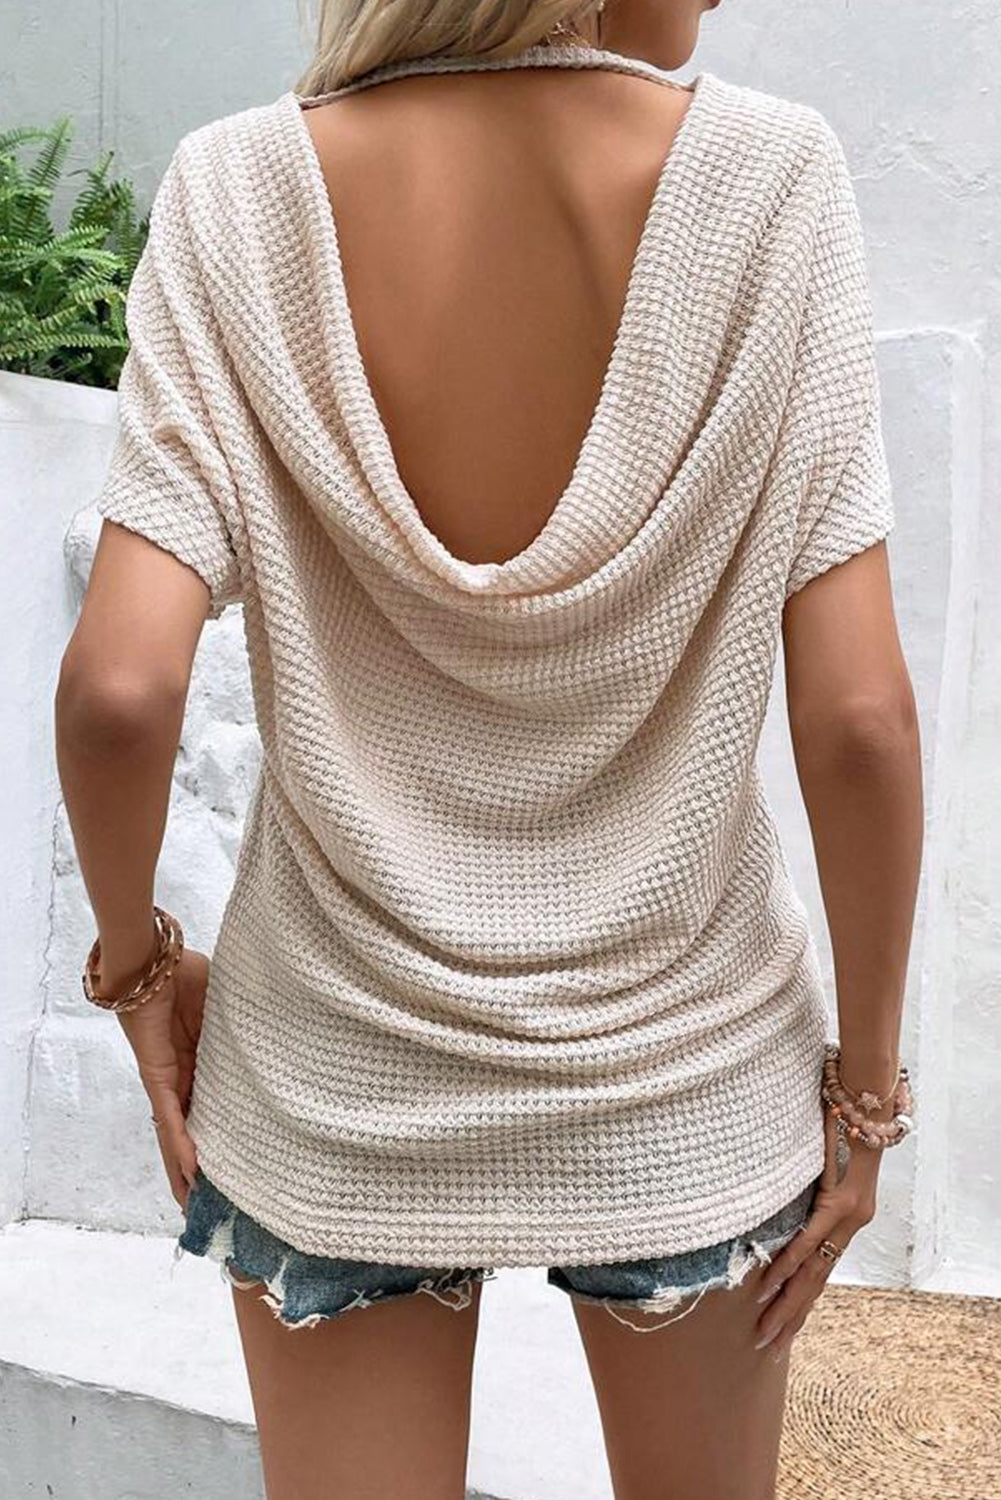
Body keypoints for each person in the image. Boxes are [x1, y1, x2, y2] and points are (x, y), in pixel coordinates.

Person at [55, 0, 924, 1496]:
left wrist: (137, 975)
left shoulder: (235, 190)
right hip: (685, 1075)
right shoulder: (774, 182)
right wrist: (866, 1094)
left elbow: (119, 692)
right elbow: (858, 722)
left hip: (334, 1087)